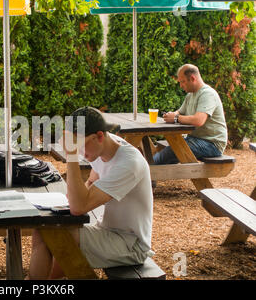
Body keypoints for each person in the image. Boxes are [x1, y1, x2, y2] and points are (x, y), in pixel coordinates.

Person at [29, 107, 154, 280]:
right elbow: (92, 180)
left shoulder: (129, 164)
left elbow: (79, 208)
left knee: (53, 234)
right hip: (107, 230)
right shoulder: (104, 148)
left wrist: (71, 156)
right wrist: (76, 195)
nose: (80, 152)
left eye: (80, 145)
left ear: (100, 136)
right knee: (45, 230)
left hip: (130, 245)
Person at [153, 64, 227, 164]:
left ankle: (145, 171)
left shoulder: (208, 94)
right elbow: (180, 112)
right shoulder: (190, 95)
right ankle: (150, 175)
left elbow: (198, 120)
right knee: (172, 148)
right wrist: (172, 114)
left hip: (212, 144)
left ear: (192, 78)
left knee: (172, 151)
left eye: (182, 82)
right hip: (195, 139)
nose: (181, 85)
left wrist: (175, 118)